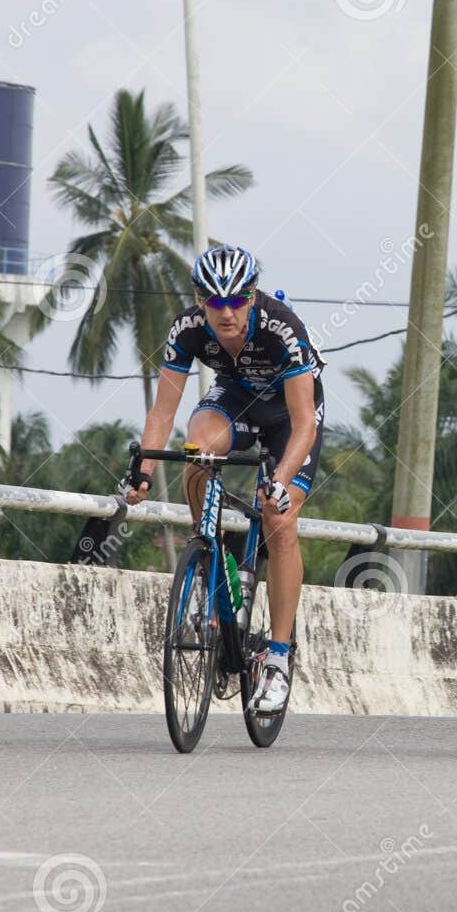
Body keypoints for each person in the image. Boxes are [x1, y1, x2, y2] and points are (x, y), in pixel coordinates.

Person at [125, 245, 322, 714]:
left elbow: (304, 424)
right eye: (215, 303)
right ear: (200, 300)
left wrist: (281, 480)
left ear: (252, 298)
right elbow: (162, 411)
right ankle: (206, 556)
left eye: (237, 301)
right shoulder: (188, 329)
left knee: (279, 518)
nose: (227, 312)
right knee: (198, 452)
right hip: (233, 399)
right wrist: (143, 473)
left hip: (288, 418)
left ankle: (277, 658)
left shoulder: (282, 329)